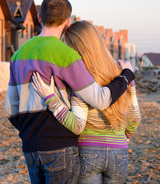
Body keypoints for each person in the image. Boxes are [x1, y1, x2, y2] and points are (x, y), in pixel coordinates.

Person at [5, 0, 135, 184]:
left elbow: (10, 110)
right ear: (67, 22)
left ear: (40, 19)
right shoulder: (67, 55)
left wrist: (30, 133)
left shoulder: (18, 55)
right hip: (61, 146)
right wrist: (126, 76)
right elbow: (100, 99)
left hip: (31, 147)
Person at [31, 21, 141, 183]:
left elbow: (77, 125)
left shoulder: (80, 80)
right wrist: (125, 138)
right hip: (119, 152)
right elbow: (135, 117)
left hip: (88, 152)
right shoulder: (123, 73)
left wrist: (51, 100)